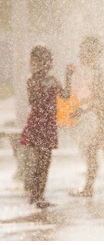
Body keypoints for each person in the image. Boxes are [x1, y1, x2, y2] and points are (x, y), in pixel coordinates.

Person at [68, 36, 104, 197]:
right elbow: (97, 97)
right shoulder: (96, 73)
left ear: (94, 54)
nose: (81, 56)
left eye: (84, 53)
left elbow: (102, 99)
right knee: (102, 153)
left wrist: (82, 110)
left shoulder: (99, 74)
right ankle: (89, 188)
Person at [20, 45, 72, 209]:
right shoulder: (32, 80)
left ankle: (40, 195)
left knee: (45, 161)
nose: (44, 63)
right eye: (39, 60)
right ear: (34, 62)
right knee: (36, 162)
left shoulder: (53, 80)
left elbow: (66, 96)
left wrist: (68, 76)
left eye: (46, 60)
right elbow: (32, 101)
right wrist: (39, 83)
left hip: (48, 125)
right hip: (37, 124)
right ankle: (34, 195)